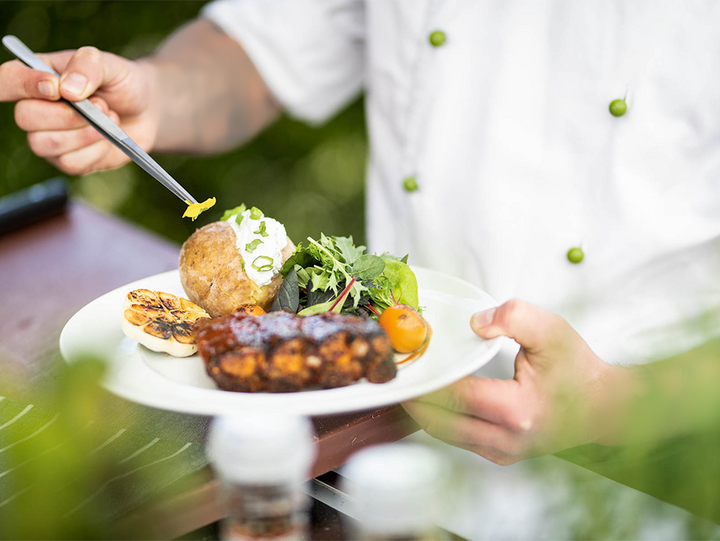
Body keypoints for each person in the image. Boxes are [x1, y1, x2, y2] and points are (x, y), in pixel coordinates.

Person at [2, 0, 720, 464]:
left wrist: (610, 399)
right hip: (381, 429)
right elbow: (261, 50)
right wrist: (153, 99)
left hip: (649, 472)